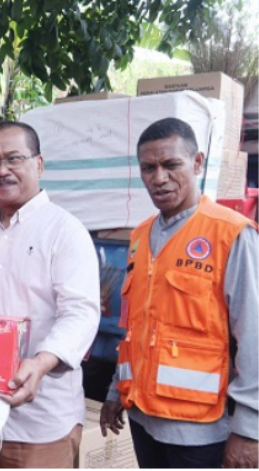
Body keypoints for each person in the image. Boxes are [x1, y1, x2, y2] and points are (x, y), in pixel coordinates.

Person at [99, 117, 258, 469]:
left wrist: (250, 429)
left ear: (197, 163)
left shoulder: (231, 234)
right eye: (148, 168)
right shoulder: (140, 236)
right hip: (143, 418)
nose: (159, 178)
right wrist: (115, 390)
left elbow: (254, 337)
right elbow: (135, 327)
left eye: (171, 164)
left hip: (201, 429)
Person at [0, 121, 100, 468]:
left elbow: (80, 314)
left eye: (13, 159)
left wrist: (41, 363)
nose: (2, 170)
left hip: (42, 422)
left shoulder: (65, 232)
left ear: (38, 164)